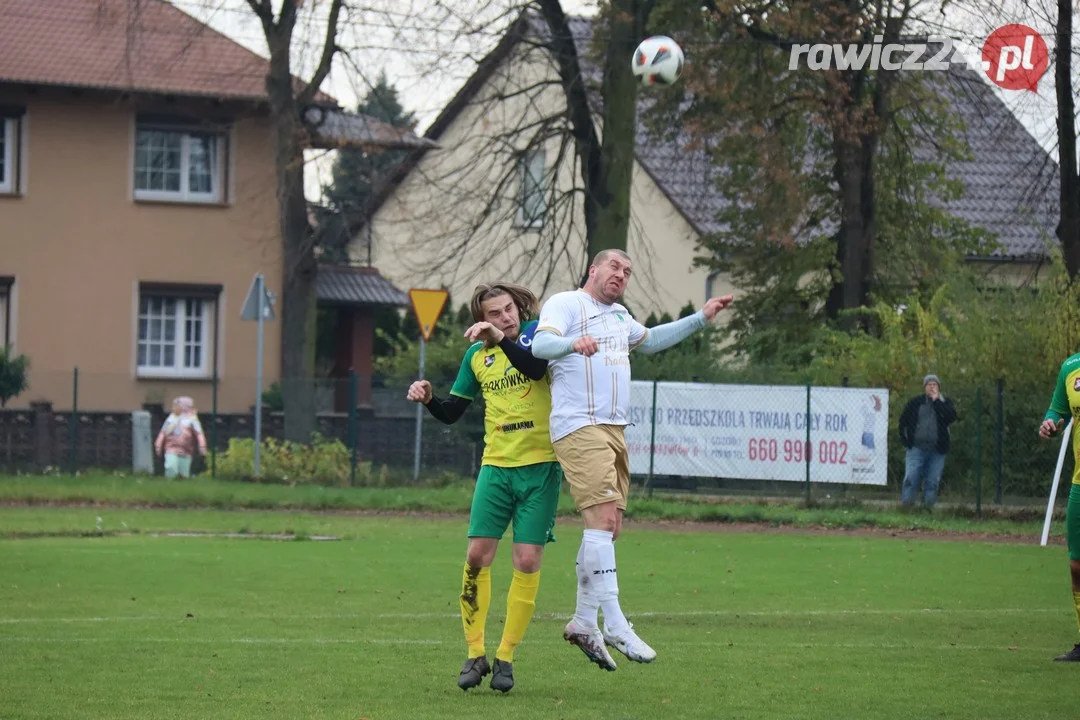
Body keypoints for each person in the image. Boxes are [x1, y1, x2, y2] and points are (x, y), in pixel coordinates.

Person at [530, 248, 733, 671]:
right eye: (614, 267)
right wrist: (572, 342)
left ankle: (585, 621)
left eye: (627, 270)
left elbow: (653, 340)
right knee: (603, 521)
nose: (621, 274)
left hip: (615, 429)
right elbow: (541, 345)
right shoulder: (567, 303)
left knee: (610, 527)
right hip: (579, 425)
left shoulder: (620, 316)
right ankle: (616, 624)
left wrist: (702, 316)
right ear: (594, 269)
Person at [405, 282, 561, 693]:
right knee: (476, 555)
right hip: (496, 467)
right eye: (495, 313)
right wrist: (429, 399)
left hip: (540, 467)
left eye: (509, 309)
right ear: (481, 319)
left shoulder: (536, 335)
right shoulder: (476, 356)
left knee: (527, 560)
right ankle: (475, 654)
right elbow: (454, 412)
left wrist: (502, 340)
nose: (506, 317)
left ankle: (506, 657)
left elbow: (535, 369)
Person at [1038, 351, 1080, 661]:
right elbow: (1057, 410)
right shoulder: (1071, 366)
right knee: (1077, 566)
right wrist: (1050, 424)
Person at [898, 374, 958, 509]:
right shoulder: (915, 403)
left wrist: (937, 401)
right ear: (924, 387)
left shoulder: (945, 403)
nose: (932, 387)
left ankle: (927, 508)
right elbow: (903, 422)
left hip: (937, 450)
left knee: (932, 481)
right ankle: (906, 507)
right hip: (916, 448)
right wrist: (906, 441)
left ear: (939, 388)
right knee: (911, 478)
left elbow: (951, 417)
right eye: (929, 384)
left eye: (935, 385)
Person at [154, 396, 207, 478]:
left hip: (186, 452)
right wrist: (158, 445)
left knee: (184, 474)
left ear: (184, 407)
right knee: (171, 467)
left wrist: (202, 446)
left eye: (176, 406)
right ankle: (169, 482)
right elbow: (163, 433)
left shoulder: (192, 420)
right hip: (171, 449)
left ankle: (182, 484)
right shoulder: (171, 419)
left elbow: (199, 433)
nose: (173, 408)